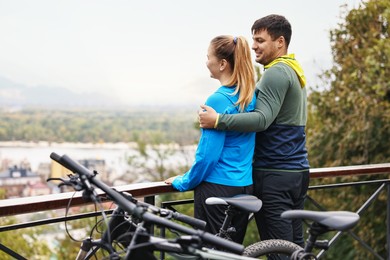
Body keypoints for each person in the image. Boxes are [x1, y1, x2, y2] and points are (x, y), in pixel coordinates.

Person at [198, 14, 310, 253]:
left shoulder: (276, 72)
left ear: (280, 42)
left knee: (280, 251)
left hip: (274, 174)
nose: (254, 46)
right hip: (296, 172)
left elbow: (261, 120)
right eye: (253, 39)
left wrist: (218, 120)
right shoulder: (294, 71)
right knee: (296, 250)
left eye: (260, 40)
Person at [165, 35, 256, 244]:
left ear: (222, 63)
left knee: (211, 252)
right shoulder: (249, 96)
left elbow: (207, 157)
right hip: (243, 186)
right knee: (231, 252)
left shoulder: (217, 100)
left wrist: (183, 181)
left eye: (208, 57)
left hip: (217, 189)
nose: (206, 62)